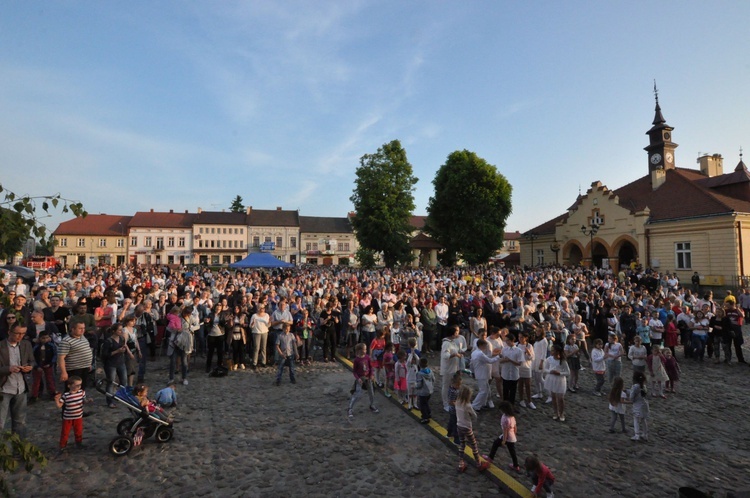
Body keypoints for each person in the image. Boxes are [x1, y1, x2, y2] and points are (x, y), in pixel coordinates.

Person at [0, 323, 34, 436]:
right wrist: (8, 369)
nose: (20, 336)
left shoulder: (26, 345)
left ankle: (19, 449)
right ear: (9, 332)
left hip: (21, 388)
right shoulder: (1, 346)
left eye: (23, 333)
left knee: (20, 422)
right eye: (18, 333)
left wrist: (29, 367)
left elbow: (32, 361)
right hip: (4, 388)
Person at [455, 385, 491, 473]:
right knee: (474, 445)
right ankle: (478, 463)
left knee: (462, 445)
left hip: (459, 426)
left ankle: (460, 464)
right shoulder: (467, 405)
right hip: (467, 427)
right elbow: (474, 416)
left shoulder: (457, 402)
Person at [54, 376, 91, 454]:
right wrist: (57, 400)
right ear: (69, 386)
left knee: (78, 431)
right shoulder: (66, 395)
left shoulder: (82, 393)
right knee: (65, 432)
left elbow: (84, 401)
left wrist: (88, 401)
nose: (79, 387)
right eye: (77, 385)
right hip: (68, 418)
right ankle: (62, 446)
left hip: (78, 417)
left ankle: (79, 443)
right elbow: (60, 406)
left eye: (80, 385)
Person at [484, 401, 521, 472]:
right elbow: (515, 427)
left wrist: (504, 440)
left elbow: (505, 431)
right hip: (512, 437)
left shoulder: (504, 418)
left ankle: (490, 458)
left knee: (495, 444)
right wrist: (514, 435)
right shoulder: (512, 417)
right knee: (512, 451)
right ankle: (516, 465)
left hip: (506, 437)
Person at [102, 324, 130, 408]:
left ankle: (123, 397)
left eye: (122, 330)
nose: (121, 332)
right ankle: (110, 401)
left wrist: (124, 351)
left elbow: (123, 348)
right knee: (111, 382)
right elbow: (105, 355)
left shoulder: (122, 339)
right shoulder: (108, 341)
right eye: (119, 330)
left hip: (121, 362)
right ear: (114, 331)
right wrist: (117, 351)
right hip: (111, 364)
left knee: (124, 381)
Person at [58, 321, 93, 389]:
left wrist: (88, 364)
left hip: (84, 367)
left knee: (82, 388)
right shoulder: (66, 341)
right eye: (80, 328)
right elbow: (61, 357)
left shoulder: (83, 337)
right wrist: (63, 372)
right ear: (73, 329)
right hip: (74, 369)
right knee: (73, 389)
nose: (82, 330)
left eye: (83, 328)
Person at [347, 343, 378, 419]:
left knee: (371, 392)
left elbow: (370, 367)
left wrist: (371, 375)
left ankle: (372, 405)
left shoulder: (367, 357)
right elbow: (354, 372)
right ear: (359, 350)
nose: (365, 350)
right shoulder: (357, 360)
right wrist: (358, 379)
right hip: (361, 378)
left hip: (368, 378)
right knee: (357, 394)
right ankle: (350, 408)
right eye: (364, 349)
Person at [471, 338, 501, 411]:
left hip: (481, 373)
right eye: (484, 346)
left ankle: (482, 404)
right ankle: (475, 405)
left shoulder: (474, 352)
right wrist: (498, 356)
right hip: (482, 374)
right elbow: (490, 360)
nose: (485, 347)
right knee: (483, 391)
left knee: (486, 389)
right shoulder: (480, 354)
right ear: (481, 345)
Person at [544, 344, 570, 422]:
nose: (551, 351)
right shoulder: (549, 359)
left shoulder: (563, 361)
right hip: (551, 379)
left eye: (553, 350)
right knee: (553, 397)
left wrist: (559, 373)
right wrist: (550, 371)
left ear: (557, 352)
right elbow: (545, 369)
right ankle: (556, 413)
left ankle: (561, 413)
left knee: (560, 398)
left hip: (560, 380)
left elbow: (568, 372)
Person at [30, 331, 58, 402]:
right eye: (43, 338)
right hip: (38, 365)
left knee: (50, 379)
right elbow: (32, 357)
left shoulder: (52, 346)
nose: (45, 339)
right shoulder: (36, 347)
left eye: (47, 338)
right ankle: (35, 395)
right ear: (39, 338)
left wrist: (51, 363)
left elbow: (55, 355)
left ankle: (52, 393)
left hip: (48, 364)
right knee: (36, 380)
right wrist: (36, 366)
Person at [167, 308, 192, 386]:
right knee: (173, 361)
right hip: (174, 341)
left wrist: (189, 329)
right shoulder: (174, 317)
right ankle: (171, 378)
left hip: (184, 341)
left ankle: (184, 378)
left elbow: (196, 325)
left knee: (184, 361)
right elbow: (168, 328)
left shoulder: (191, 318)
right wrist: (175, 329)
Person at [500, 333, 523, 404]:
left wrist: (510, 360)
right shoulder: (504, 349)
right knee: (505, 391)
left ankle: (511, 406)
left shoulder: (518, 350)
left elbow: (519, 363)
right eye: (506, 340)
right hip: (505, 373)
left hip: (514, 374)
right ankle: (505, 406)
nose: (506, 342)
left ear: (512, 340)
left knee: (513, 392)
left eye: (508, 340)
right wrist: (505, 360)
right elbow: (501, 361)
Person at [205, 303, 227, 373]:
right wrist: (207, 322)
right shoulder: (211, 314)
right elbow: (207, 324)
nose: (218, 309)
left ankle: (219, 365)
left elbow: (223, 324)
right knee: (210, 351)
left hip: (220, 334)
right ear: (215, 308)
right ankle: (208, 366)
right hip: (211, 334)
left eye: (220, 308)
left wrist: (226, 321)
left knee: (219, 351)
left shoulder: (223, 314)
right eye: (217, 308)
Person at [517, 332, 536, 409]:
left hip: (527, 367)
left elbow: (532, 358)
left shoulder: (529, 346)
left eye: (521, 337)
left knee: (528, 384)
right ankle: (521, 399)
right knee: (520, 384)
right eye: (519, 337)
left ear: (526, 338)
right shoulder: (517, 345)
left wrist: (528, 353)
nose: (520, 339)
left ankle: (529, 401)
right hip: (519, 367)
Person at [630, 371, 649, 442]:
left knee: (636, 420)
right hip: (644, 405)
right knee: (643, 420)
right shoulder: (644, 386)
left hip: (637, 406)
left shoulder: (635, 387)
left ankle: (637, 434)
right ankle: (645, 434)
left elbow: (631, 397)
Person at [249, 304, 270, 368]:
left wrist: (270, 322)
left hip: (264, 332)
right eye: (261, 308)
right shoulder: (254, 316)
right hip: (256, 332)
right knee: (256, 348)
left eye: (263, 308)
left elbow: (268, 325)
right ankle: (254, 362)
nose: (262, 309)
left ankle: (264, 362)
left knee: (263, 348)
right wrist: (253, 323)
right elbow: (250, 326)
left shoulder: (266, 315)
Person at [415, 356, 435, 424]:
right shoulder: (430, 371)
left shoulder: (419, 374)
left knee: (422, 405)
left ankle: (425, 417)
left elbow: (419, 384)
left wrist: (415, 386)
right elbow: (433, 379)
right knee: (426, 403)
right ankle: (428, 413)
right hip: (429, 390)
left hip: (423, 392)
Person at [445, 371, 462, 446]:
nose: (459, 386)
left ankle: (449, 433)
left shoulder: (455, 390)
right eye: (458, 384)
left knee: (452, 422)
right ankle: (456, 438)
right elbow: (451, 402)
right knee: (455, 424)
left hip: (454, 409)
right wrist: (458, 404)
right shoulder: (452, 391)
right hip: (454, 410)